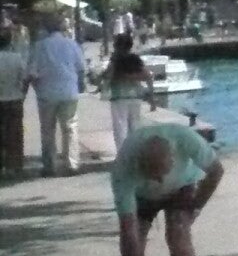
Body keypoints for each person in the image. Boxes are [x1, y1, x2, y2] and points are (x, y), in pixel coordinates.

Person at [111, 121, 224, 256]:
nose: (160, 181)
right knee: (134, 239)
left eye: (163, 174)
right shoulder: (124, 169)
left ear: (173, 157)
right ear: (140, 165)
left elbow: (216, 171)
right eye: (153, 176)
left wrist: (196, 207)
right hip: (141, 195)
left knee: (178, 234)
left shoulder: (185, 138)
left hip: (181, 185)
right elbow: (128, 232)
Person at [26, 15, 88, 175]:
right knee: (70, 127)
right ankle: (72, 163)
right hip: (69, 91)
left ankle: (49, 166)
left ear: (46, 29)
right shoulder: (72, 44)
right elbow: (81, 68)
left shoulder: (39, 46)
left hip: (46, 93)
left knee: (47, 130)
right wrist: (81, 84)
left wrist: (34, 86)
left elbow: (32, 72)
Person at [101, 32, 154, 149]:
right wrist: (152, 98)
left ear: (117, 46)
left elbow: (108, 76)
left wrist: (104, 83)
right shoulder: (135, 60)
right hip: (135, 98)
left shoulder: (115, 61)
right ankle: (134, 152)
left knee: (120, 130)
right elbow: (148, 76)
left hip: (119, 98)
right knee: (134, 128)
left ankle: (122, 154)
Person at [0, 25, 29, 176]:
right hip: (15, 99)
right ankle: (15, 165)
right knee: (15, 133)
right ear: (10, 41)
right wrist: (22, 94)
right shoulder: (17, 58)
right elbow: (24, 79)